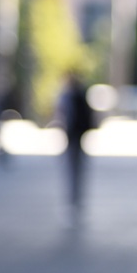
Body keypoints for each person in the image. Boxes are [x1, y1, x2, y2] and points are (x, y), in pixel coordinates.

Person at [57, 74, 94, 225]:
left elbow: (64, 117)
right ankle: (76, 200)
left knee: (72, 170)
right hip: (78, 138)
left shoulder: (69, 96)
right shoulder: (81, 95)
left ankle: (73, 200)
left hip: (73, 138)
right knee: (77, 170)